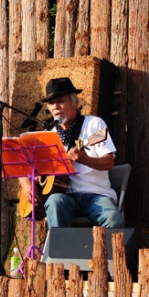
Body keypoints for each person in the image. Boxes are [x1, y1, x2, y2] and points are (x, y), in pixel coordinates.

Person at [20, 77, 125, 228]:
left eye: (61, 101)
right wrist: (27, 185)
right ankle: (61, 252)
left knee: (114, 220)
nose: (55, 107)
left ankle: (112, 252)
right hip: (64, 197)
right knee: (55, 202)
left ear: (74, 102)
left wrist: (85, 159)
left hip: (96, 195)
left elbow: (109, 162)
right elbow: (23, 162)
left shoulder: (94, 125)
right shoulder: (48, 134)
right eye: (51, 103)